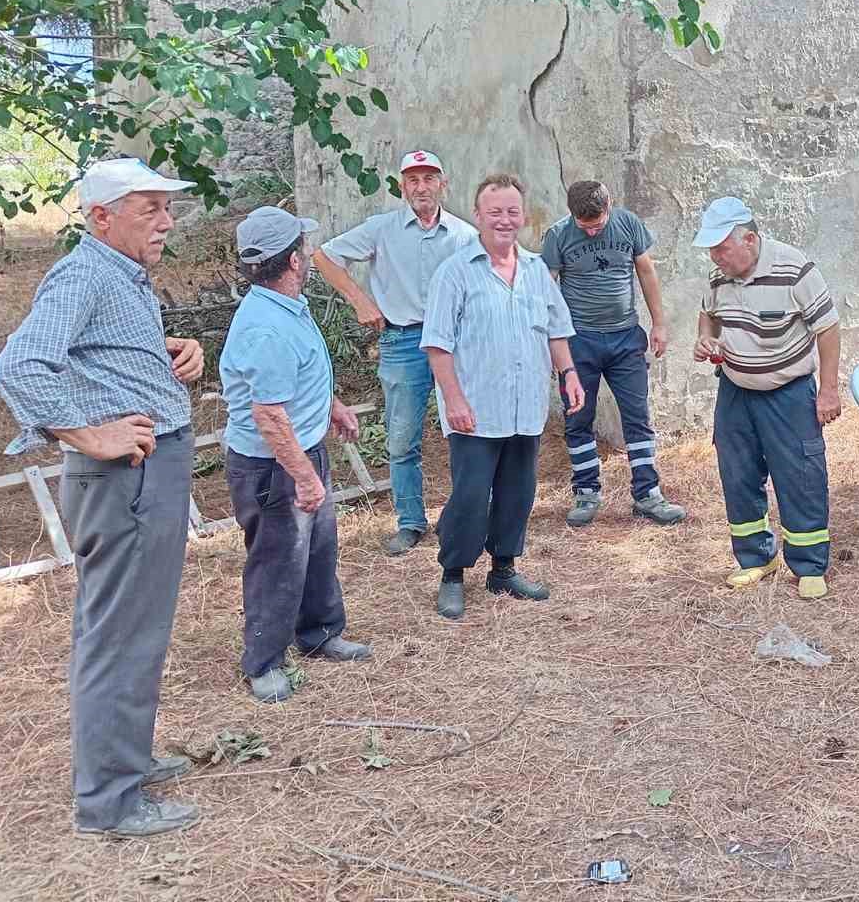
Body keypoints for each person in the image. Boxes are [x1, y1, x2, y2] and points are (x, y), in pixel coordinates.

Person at [0, 158, 205, 838]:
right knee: (121, 637)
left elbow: (96, 355)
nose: (166, 221)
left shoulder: (119, 277)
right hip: (126, 479)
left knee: (127, 630)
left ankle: (126, 759)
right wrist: (89, 432)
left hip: (140, 476)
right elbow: (20, 366)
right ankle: (111, 802)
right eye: (149, 208)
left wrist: (169, 351)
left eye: (166, 207)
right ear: (101, 217)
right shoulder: (84, 272)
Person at [219, 207, 372, 703]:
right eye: (303, 250)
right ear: (291, 260)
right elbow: (269, 415)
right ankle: (263, 662)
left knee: (318, 547)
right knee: (277, 560)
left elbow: (295, 378)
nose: (308, 256)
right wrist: (305, 479)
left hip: (302, 452)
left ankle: (320, 632)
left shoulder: (287, 306)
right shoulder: (267, 328)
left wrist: (331, 405)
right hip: (274, 467)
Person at [422, 173, 585, 619]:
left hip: (525, 405)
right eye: (495, 211)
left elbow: (556, 330)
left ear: (524, 216)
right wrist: (453, 400)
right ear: (478, 216)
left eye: (512, 211)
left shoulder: (535, 271)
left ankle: (503, 568)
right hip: (475, 410)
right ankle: (453, 573)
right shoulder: (454, 272)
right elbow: (437, 345)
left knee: (518, 492)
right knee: (471, 495)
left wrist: (568, 373)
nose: (504, 220)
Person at [312, 150, 476, 555]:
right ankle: (410, 522)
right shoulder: (381, 229)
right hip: (401, 341)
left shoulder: (463, 236)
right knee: (402, 438)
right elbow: (324, 256)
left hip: (453, 345)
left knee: (466, 431)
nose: (421, 187)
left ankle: (465, 516)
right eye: (413, 180)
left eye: (429, 178)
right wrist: (359, 301)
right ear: (402, 187)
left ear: (443, 183)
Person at [692, 197, 840, 600]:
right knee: (737, 474)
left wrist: (828, 389)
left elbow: (827, 328)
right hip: (735, 390)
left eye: (721, 248)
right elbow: (710, 313)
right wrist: (705, 339)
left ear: (750, 239)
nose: (715, 256)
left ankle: (809, 564)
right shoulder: (719, 275)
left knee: (800, 476)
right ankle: (756, 558)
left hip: (788, 393)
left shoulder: (796, 270)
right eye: (711, 249)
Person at [539, 180, 682, 527]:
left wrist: (658, 324)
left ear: (609, 207)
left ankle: (647, 494)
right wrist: (551, 342)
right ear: (572, 214)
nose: (591, 232)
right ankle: (586, 492)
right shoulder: (558, 235)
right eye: (584, 227)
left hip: (625, 339)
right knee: (578, 418)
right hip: (579, 341)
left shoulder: (628, 223)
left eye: (597, 225)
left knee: (637, 416)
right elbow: (546, 290)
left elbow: (646, 271)